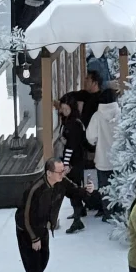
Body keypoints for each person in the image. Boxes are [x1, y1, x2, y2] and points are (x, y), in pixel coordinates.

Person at [15, 158, 90, 272]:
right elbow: (26, 215)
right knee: (33, 263)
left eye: (64, 170)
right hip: (27, 229)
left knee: (44, 257)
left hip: (43, 226)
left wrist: (87, 191)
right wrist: (33, 238)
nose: (63, 173)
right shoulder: (35, 189)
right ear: (49, 173)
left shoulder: (61, 182)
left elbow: (74, 191)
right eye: (59, 171)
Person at [56, 97, 95, 234]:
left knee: (73, 189)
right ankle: (80, 211)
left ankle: (77, 219)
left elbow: (70, 146)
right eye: (63, 108)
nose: (64, 111)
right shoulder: (75, 122)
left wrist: (65, 164)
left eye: (66, 108)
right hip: (77, 160)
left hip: (74, 162)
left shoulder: (72, 124)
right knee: (76, 186)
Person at [85, 87, 121, 189]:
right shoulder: (121, 114)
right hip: (120, 161)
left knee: (105, 194)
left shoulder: (97, 116)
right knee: (120, 195)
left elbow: (91, 137)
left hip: (102, 161)